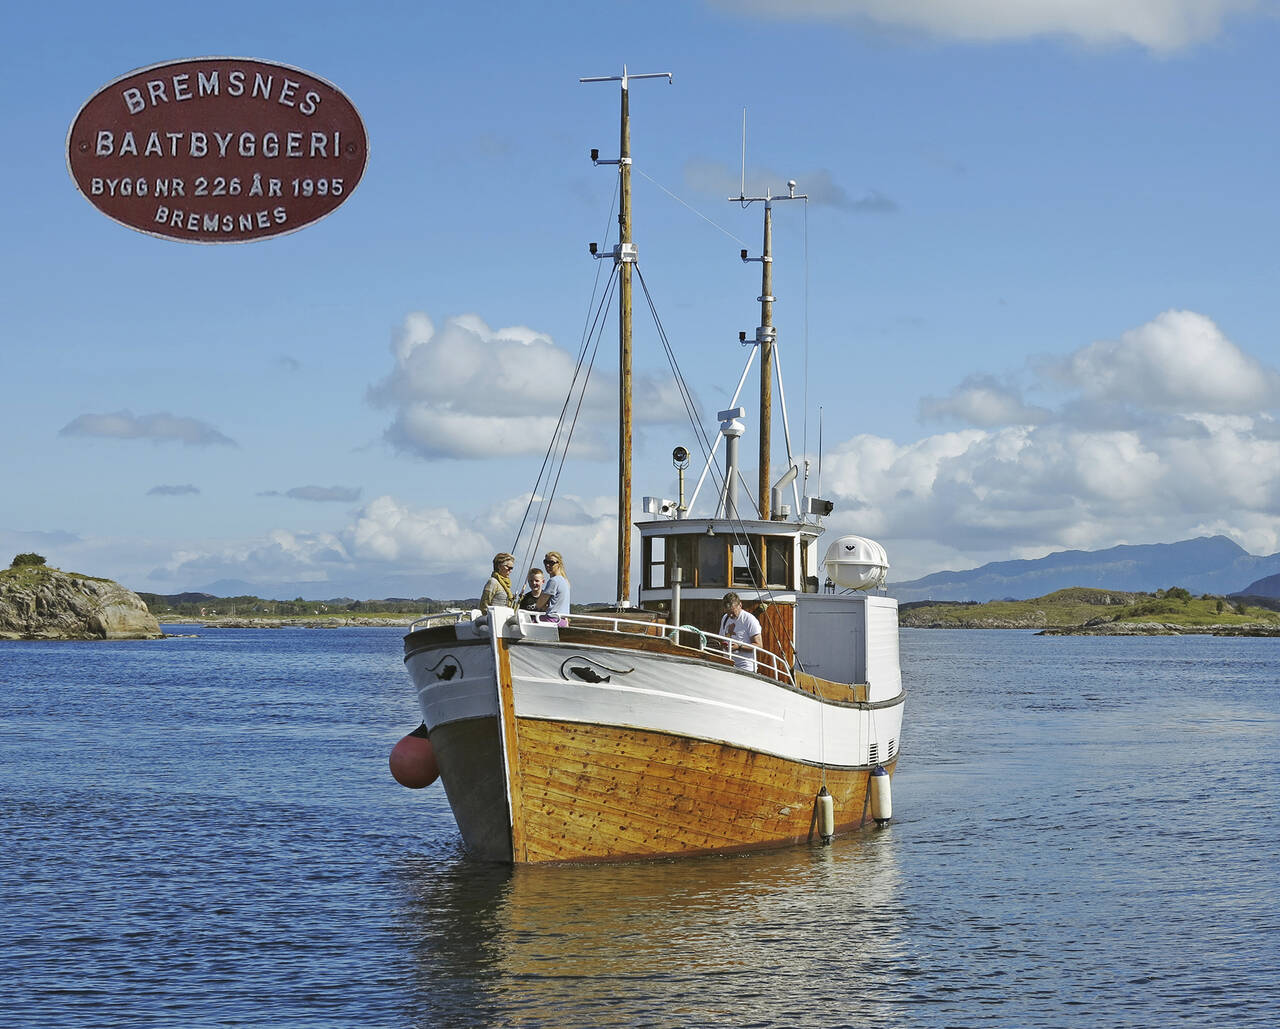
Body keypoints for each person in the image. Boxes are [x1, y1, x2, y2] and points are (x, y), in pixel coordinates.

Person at [719, 592, 762, 672]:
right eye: (728, 613)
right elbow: (723, 639)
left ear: (740, 605)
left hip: (745, 667)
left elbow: (759, 645)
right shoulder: (725, 618)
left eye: (733, 612)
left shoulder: (749, 620)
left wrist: (739, 647)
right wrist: (722, 646)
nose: (730, 616)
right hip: (727, 665)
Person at [536, 551, 571, 624]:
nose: (547, 565)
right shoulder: (565, 581)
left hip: (552, 620)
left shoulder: (553, 581)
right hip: (563, 621)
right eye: (545, 562)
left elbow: (539, 605)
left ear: (559, 564)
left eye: (551, 563)